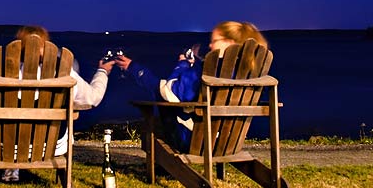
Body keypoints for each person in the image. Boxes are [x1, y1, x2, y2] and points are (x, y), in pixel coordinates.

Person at [0, 25, 113, 182]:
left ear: (19, 45)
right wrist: (103, 71)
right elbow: (93, 98)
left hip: (1, 145)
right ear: (46, 47)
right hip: (50, 146)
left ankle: (8, 163)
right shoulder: (63, 73)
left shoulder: (0, 72)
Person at [114, 20, 267, 152]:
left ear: (230, 42)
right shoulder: (247, 71)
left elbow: (169, 92)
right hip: (229, 140)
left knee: (158, 118)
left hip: (197, 140)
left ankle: (162, 168)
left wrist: (183, 64)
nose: (210, 45)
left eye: (214, 41)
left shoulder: (208, 70)